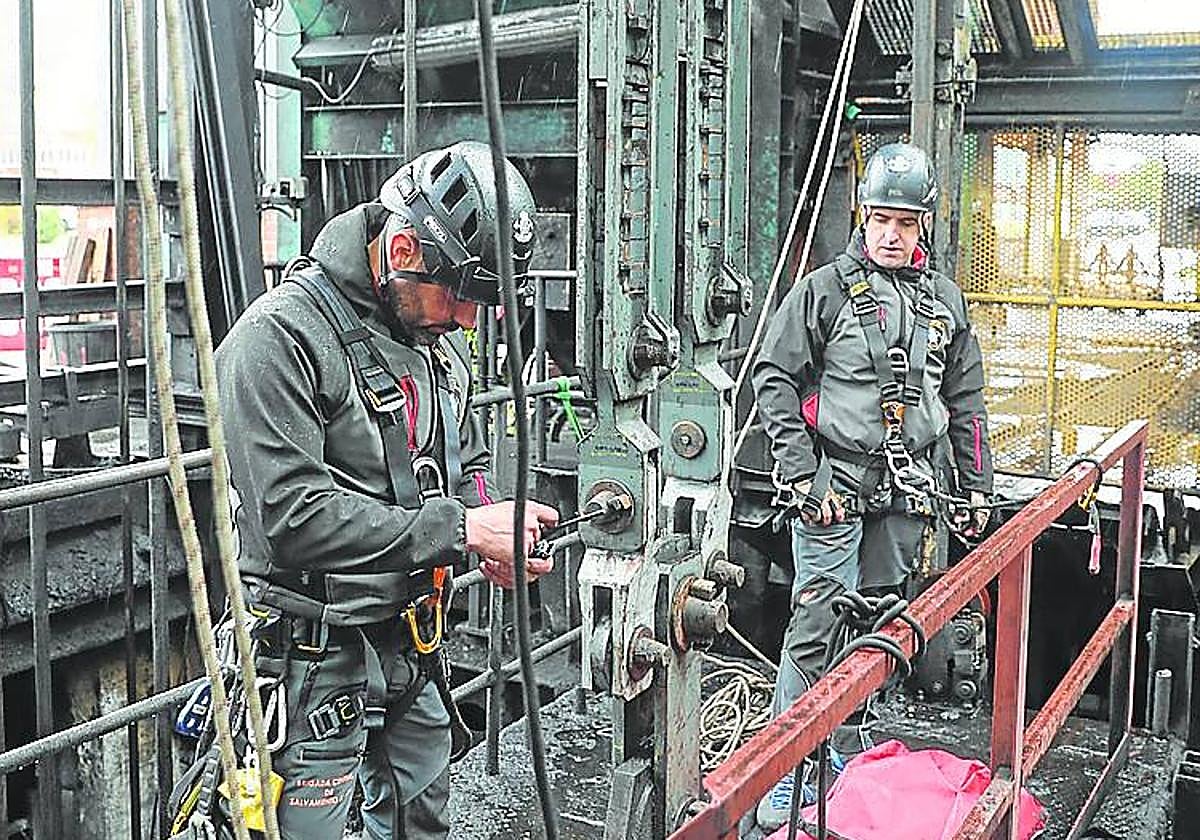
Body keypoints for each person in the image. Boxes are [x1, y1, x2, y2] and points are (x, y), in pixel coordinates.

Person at [212, 140, 559, 838]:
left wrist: (490, 526)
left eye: (482, 301)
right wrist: (459, 530)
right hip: (310, 654)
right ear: (402, 249)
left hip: (409, 643)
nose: (467, 320)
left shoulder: (431, 342)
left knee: (420, 821)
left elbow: (462, 462)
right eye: (460, 294)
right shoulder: (277, 338)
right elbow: (291, 518)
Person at [751, 142, 993, 831]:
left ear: (925, 227)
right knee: (815, 628)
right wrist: (803, 472)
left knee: (876, 627)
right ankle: (780, 773)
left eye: (905, 222)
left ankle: (836, 754)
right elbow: (774, 377)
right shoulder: (823, 291)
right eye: (880, 218)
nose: (890, 233)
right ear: (862, 217)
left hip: (904, 496)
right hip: (832, 486)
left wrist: (975, 488)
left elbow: (966, 400)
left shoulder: (945, 301)